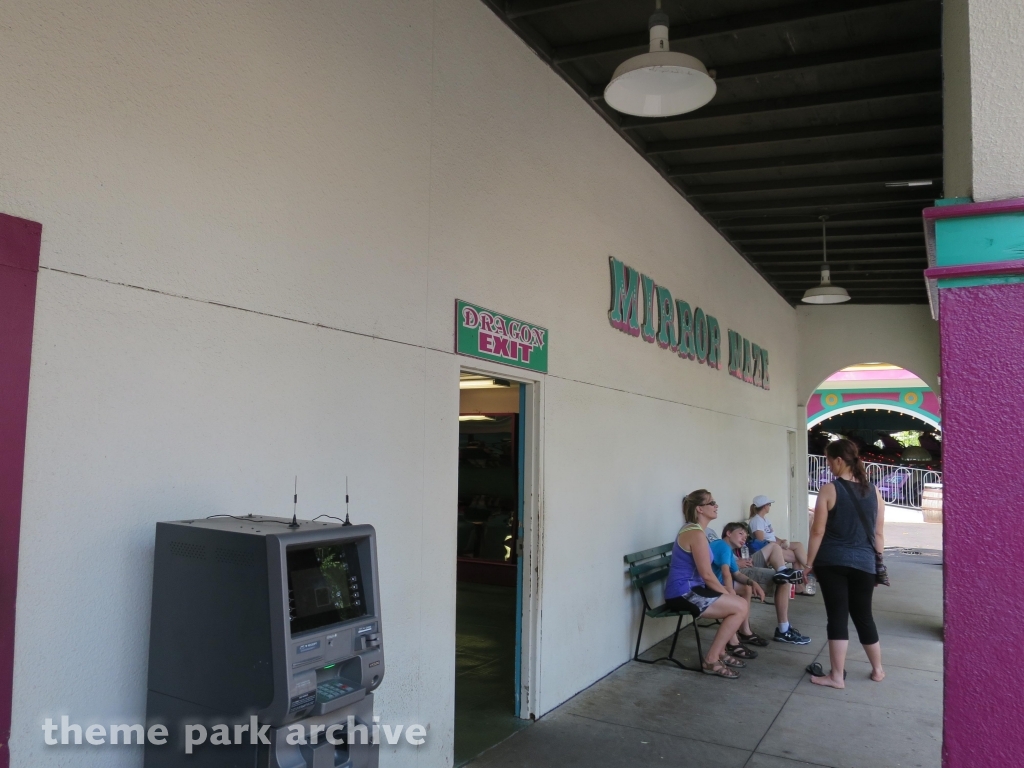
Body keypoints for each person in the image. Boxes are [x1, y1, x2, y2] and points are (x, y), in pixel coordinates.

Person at [806, 439, 886, 688]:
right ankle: (878, 670)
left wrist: (808, 563)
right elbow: (879, 534)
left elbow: (817, 532)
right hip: (865, 563)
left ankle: (837, 676)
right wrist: (877, 565)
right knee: (864, 616)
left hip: (832, 562)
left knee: (838, 617)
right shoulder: (874, 491)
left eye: (829, 460)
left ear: (839, 460)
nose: (828, 465)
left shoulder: (830, 489)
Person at [664, 489, 751, 679]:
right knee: (739, 607)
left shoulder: (697, 531)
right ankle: (711, 659)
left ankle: (719, 653)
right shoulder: (694, 533)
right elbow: (707, 575)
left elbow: (707, 576)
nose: (716, 505)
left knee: (740, 605)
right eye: (711, 503)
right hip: (682, 593)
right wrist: (728, 594)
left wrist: (728, 594)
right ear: (699, 509)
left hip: (693, 589)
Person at [712, 523, 811, 646]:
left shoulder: (727, 548)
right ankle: (783, 630)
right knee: (783, 581)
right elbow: (726, 572)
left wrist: (749, 578)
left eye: (746, 535)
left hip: (742, 564)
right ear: (728, 533)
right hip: (736, 571)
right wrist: (731, 588)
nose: (744, 538)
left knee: (774, 547)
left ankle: (783, 571)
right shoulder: (720, 545)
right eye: (741, 534)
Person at [749, 495, 809, 570]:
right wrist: (779, 544)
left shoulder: (765, 519)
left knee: (798, 545)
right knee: (797, 557)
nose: (770, 507)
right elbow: (761, 541)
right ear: (764, 506)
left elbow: (771, 535)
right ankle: (809, 570)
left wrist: (781, 541)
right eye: (769, 505)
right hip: (769, 548)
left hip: (775, 543)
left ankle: (808, 569)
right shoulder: (756, 521)